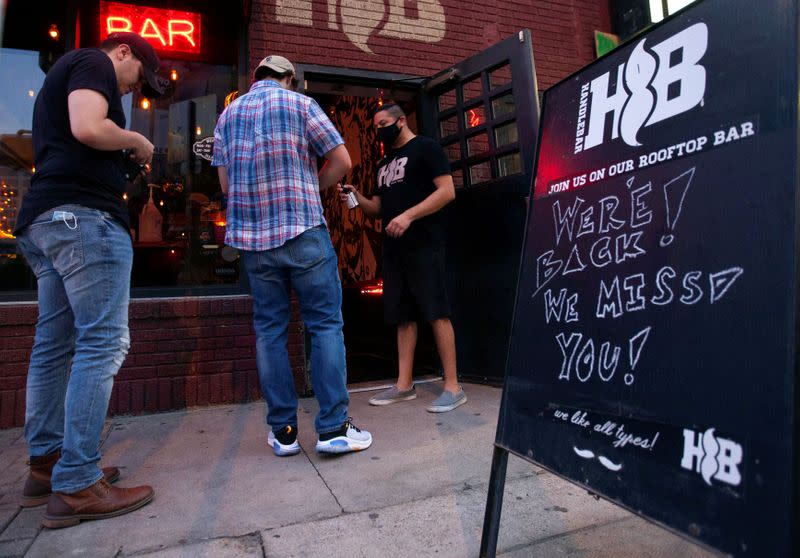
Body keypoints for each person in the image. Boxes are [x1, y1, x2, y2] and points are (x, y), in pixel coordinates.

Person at [13, 32, 164, 528]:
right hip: (84, 223)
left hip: (47, 219)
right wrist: (136, 140)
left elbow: (77, 136)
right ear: (125, 53)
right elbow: (87, 126)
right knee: (102, 342)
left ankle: (48, 466)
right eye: (136, 79)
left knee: (54, 344)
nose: (128, 91)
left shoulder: (69, 74)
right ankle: (78, 483)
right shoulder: (93, 62)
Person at [212, 55, 372, 457]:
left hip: (254, 242)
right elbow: (342, 161)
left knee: (269, 331)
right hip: (303, 231)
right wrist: (311, 187)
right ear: (288, 79)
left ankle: (283, 432)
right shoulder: (301, 104)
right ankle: (333, 428)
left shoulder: (228, 115)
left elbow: (227, 184)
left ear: (256, 79)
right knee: (324, 325)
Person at [339, 103, 466, 412]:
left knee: (436, 310)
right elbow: (378, 208)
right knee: (402, 315)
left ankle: (453, 386)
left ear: (400, 121)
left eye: (384, 123)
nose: (379, 129)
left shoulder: (425, 148)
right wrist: (357, 198)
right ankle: (403, 384)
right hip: (395, 249)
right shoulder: (384, 164)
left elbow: (447, 191)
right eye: (376, 126)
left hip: (425, 243)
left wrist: (409, 215)